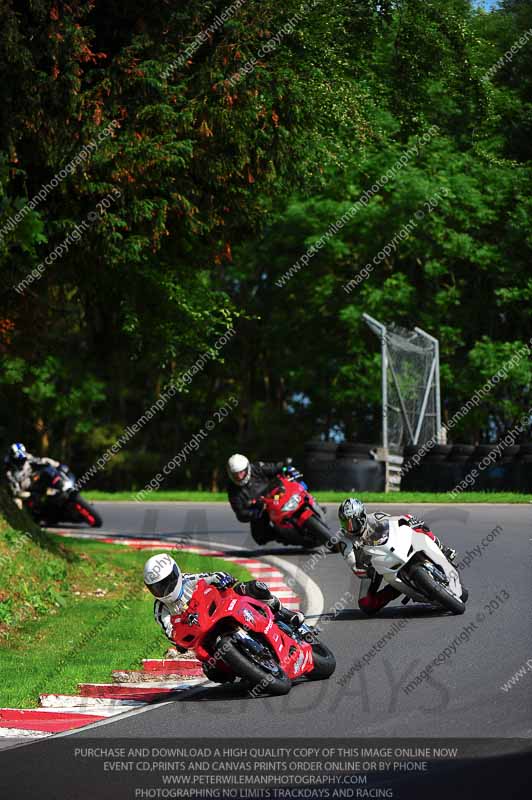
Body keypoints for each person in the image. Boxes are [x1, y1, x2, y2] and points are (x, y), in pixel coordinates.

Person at [143, 553, 304, 682]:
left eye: (166, 583)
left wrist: (222, 578)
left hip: (221, 610)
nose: (164, 590)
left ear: (175, 574)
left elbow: (212, 576)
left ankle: (284, 613)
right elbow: (170, 631)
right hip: (203, 633)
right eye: (157, 587)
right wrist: (179, 641)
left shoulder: (188, 580)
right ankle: (247, 669)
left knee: (253, 588)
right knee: (213, 672)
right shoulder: (160, 608)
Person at [336, 497, 466, 615]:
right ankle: (395, 588)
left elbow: (395, 521)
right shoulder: (344, 540)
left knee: (419, 527)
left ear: (362, 516)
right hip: (370, 566)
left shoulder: (375, 517)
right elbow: (352, 563)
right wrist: (363, 570)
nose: (349, 527)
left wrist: (410, 519)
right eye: (345, 523)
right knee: (366, 605)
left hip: (388, 549)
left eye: (352, 522)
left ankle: (443, 549)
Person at [226, 453, 299, 545]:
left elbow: (276, 467)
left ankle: (310, 504)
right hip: (262, 509)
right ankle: (284, 536)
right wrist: (255, 512)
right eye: (235, 474)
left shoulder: (256, 468)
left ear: (247, 468)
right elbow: (240, 513)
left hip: (276, 494)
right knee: (259, 537)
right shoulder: (233, 490)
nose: (239, 477)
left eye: (241, 472)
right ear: (230, 473)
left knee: (295, 483)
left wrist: (287, 468)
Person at [3, 443, 60, 507]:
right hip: (24, 488)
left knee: (47, 471)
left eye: (22, 459)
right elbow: (14, 488)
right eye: (19, 460)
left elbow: (39, 461)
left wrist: (53, 463)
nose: (22, 461)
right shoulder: (9, 470)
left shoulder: (27, 457)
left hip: (33, 478)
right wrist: (24, 494)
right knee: (17, 500)